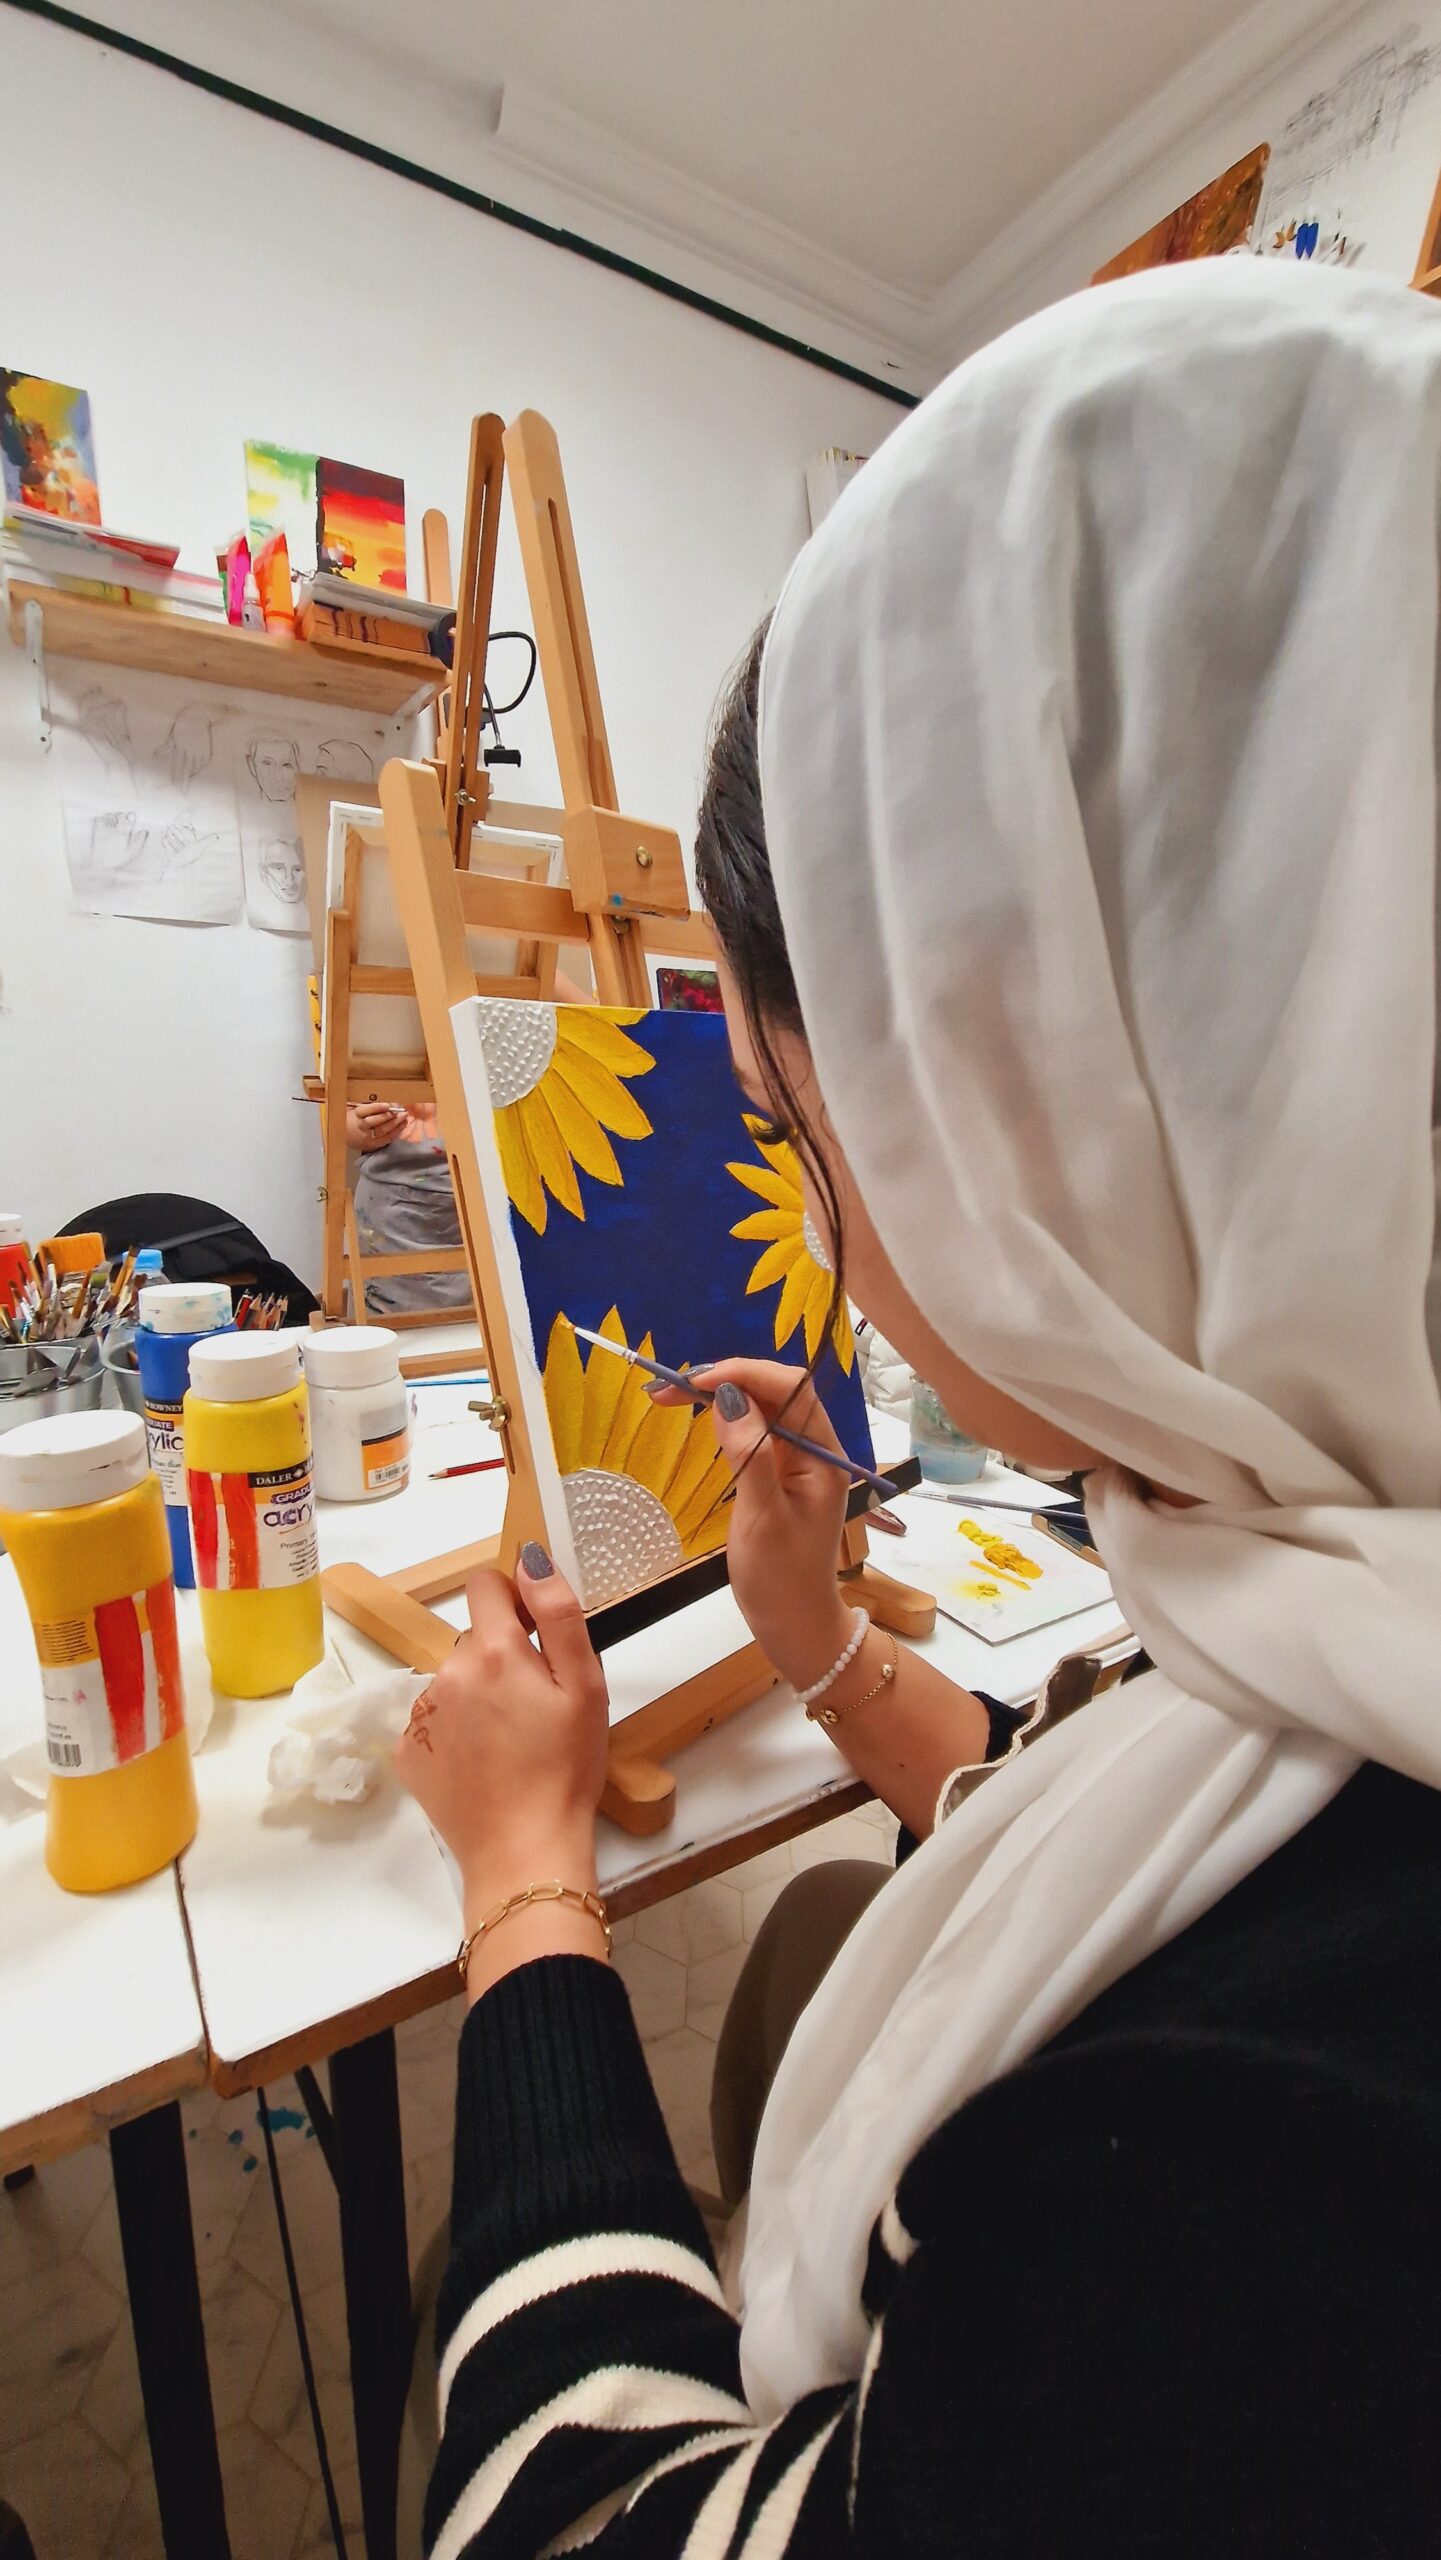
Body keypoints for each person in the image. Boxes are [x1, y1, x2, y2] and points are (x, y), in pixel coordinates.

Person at [395, 261, 1441, 2555]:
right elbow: (1183, 1810)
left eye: (804, 1129)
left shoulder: (1232, 2203)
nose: (836, 1245)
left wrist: (524, 1883)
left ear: (1039, 1099)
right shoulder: (1352, 1549)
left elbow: (578, 2518)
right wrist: (823, 1651)